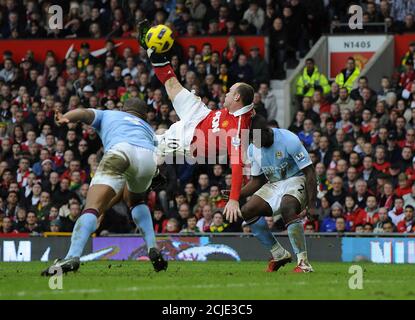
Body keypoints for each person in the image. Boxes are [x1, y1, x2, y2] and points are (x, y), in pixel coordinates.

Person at [137, 19, 254, 222]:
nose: (226, 92)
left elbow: (237, 164)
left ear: (237, 98)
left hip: (192, 140)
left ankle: (153, 176)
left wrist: (234, 199)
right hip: (201, 114)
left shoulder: (238, 129)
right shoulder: (238, 108)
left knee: (154, 145)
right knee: (172, 85)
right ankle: (151, 49)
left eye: (231, 90)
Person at [41, 98, 167, 276]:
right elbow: (155, 157)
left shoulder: (110, 114)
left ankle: (72, 256)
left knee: (91, 208)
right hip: (149, 159)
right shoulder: (148, 129)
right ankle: (153, 247)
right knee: (136, 201)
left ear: (123, 109)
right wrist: (154, 174)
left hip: (120, 151)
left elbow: (84, 114)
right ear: (144, 115)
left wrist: (65, 117)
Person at [229, 115, 316, 273]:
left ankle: (304, 264)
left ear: (267, 131)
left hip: (296, 178)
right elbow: (257, 181)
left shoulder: (289, 139)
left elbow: (310, 172)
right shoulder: (253, 148)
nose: (256, 144)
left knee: (287, 207)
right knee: (248, 210)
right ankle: (279, 254)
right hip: (274, 184)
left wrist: (312, 204)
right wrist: (235, 194)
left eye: (257, 140)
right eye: (252, 140)